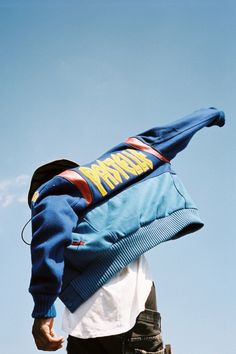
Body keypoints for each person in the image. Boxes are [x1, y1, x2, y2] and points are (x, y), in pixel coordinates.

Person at [27, 108, 225, 353]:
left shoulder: (53, 193)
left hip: (87, 327)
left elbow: (49, 236)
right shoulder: (112, 188)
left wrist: (43, 308)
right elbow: (162, 138)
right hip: (138, 315)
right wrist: (209, 115)